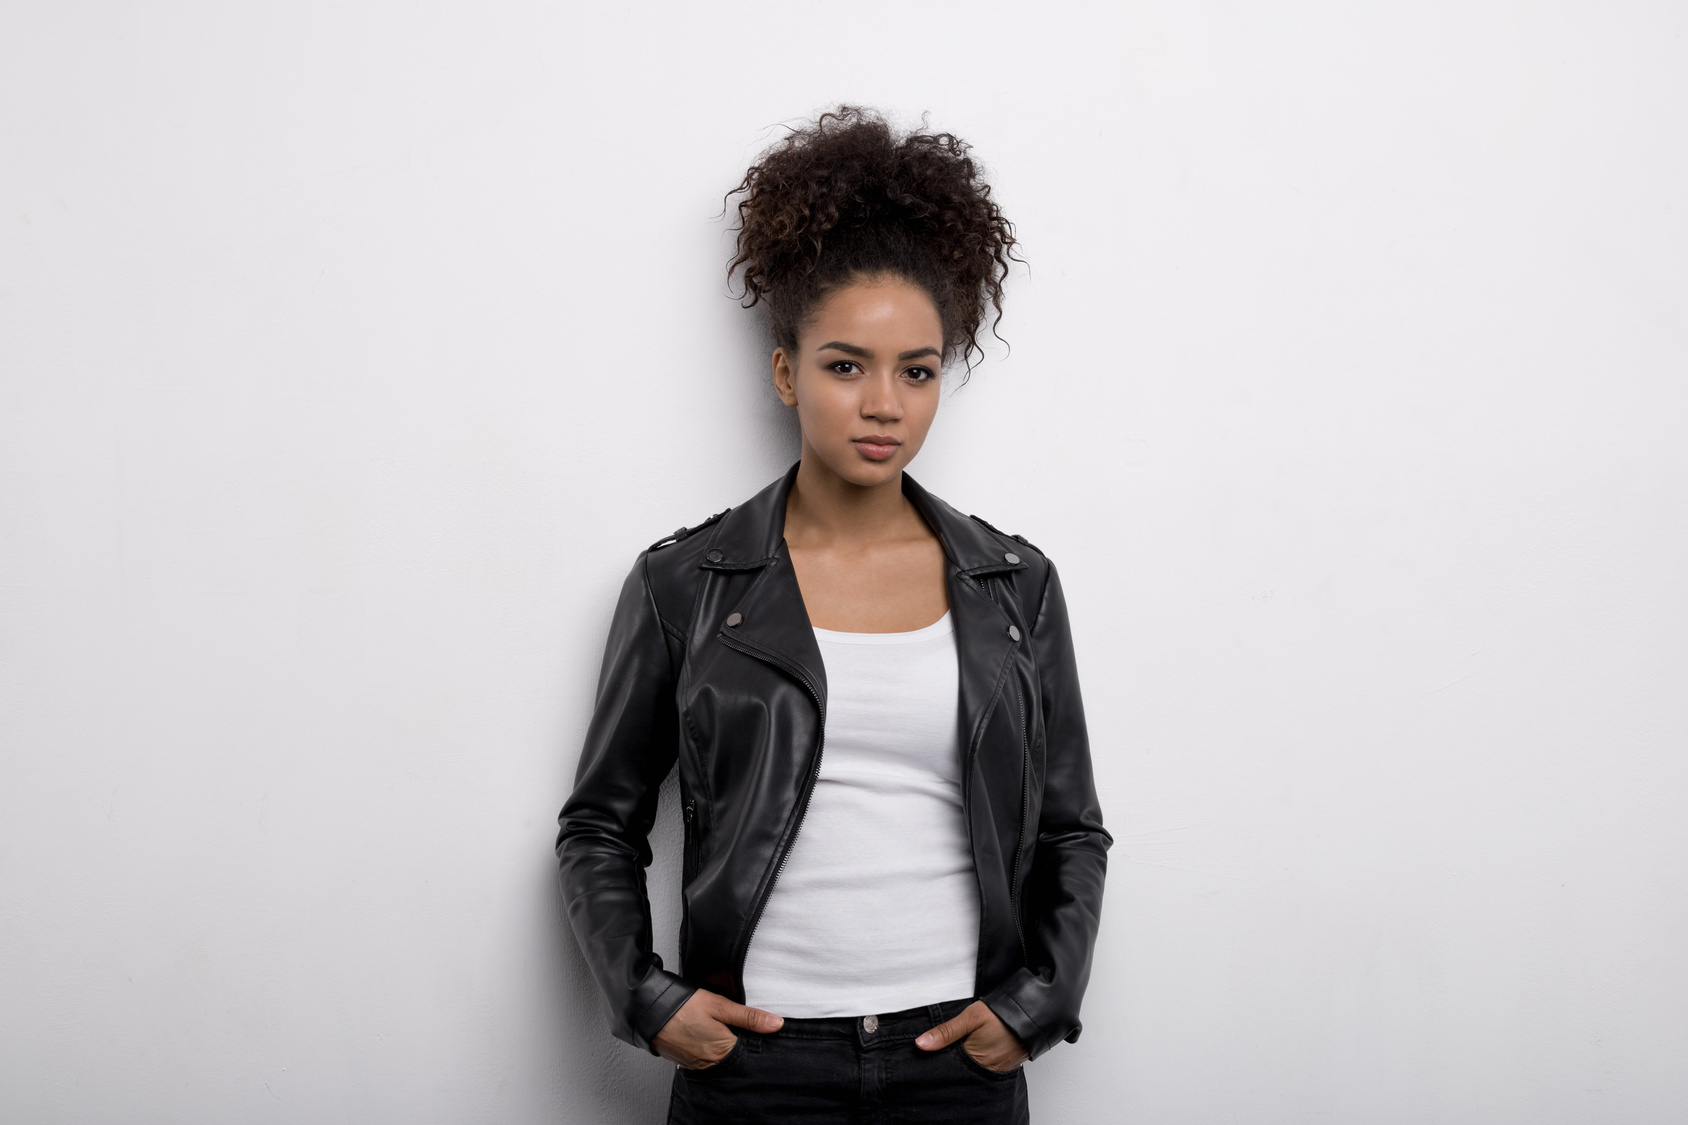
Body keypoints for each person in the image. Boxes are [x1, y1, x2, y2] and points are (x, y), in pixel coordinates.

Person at [556, 107, 1110, 1124]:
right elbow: (599, 824)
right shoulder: (687, 584)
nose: (884, 405)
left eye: (917, 370)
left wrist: (1039, 1001)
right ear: (785, 374)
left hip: (958, 1061)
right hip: (756, 1068)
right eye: (845, 366)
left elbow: (1071, 829)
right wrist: (645, 997)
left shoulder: (1012, 585)